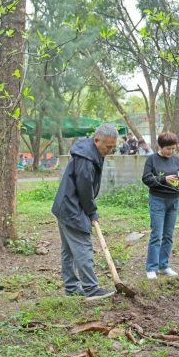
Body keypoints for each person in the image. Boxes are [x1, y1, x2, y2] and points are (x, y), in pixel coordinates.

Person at [51, 124, 119, 301]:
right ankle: (91, 288)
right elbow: (85, 190)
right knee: (83, 248)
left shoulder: (91, 151)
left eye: (113, 146)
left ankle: (72, 288)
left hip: (66, 205)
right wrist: (92, 213)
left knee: (69, 251)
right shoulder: (86, 159)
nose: (110, 150)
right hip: (72, 208)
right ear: (97, 140)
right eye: (108, 146)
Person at [142, 132, 179, 280]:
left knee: (168, 235)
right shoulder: (152, 160)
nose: (171, 151)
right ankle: (151, 267)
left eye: (173, 148)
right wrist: (164, 179)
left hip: (173, 200)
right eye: (168, 148)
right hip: (158, 200)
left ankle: (164, 265)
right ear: (160, 146)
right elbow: (146, 178)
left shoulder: (177, 160)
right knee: (157, 235)